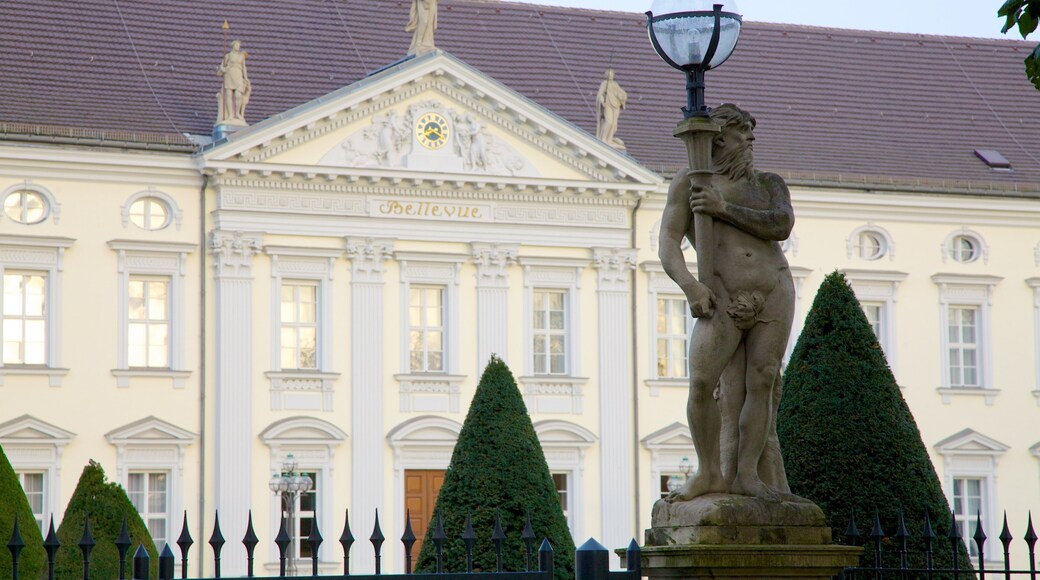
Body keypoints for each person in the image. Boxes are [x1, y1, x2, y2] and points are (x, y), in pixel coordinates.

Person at [658, 104, 795, 502]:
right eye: (743, 132)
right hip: (719, 295)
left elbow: (781, 225)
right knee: (701, 383)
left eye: (752, 131)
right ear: (719, 138)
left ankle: (748, 476)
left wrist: (724, 209)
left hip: (773, 289)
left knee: (763, 381)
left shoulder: (769, 183)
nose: (751, 139)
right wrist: (690, 287)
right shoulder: (690, 181)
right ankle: (709, 473)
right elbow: (668, 244)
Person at [218, 40, 251, 124]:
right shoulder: (228, 56)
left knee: (238, 95)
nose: (238, 47)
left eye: (239, 45)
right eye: (237, 45)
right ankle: (230, 115)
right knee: (228, 94)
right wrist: (222, 69)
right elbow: (222, 66)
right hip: (229, 74)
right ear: (233, 46)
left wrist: (246, 77)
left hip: (238, 75)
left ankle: (237, 113)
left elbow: (244, 67)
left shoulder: (241, 56)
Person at [596, 68, 627, 148]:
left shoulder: (615, 84)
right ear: (606, 75)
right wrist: (603, 101)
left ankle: (609, 140)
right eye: (608, 74)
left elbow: (622, 93)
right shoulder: (604, 83)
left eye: (611, 74)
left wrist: (622, 97)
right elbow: (600, 95)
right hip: (608, 105)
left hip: (615, 105)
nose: (610, 76)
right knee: (609, 122)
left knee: (614, 124)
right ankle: (603, 138)